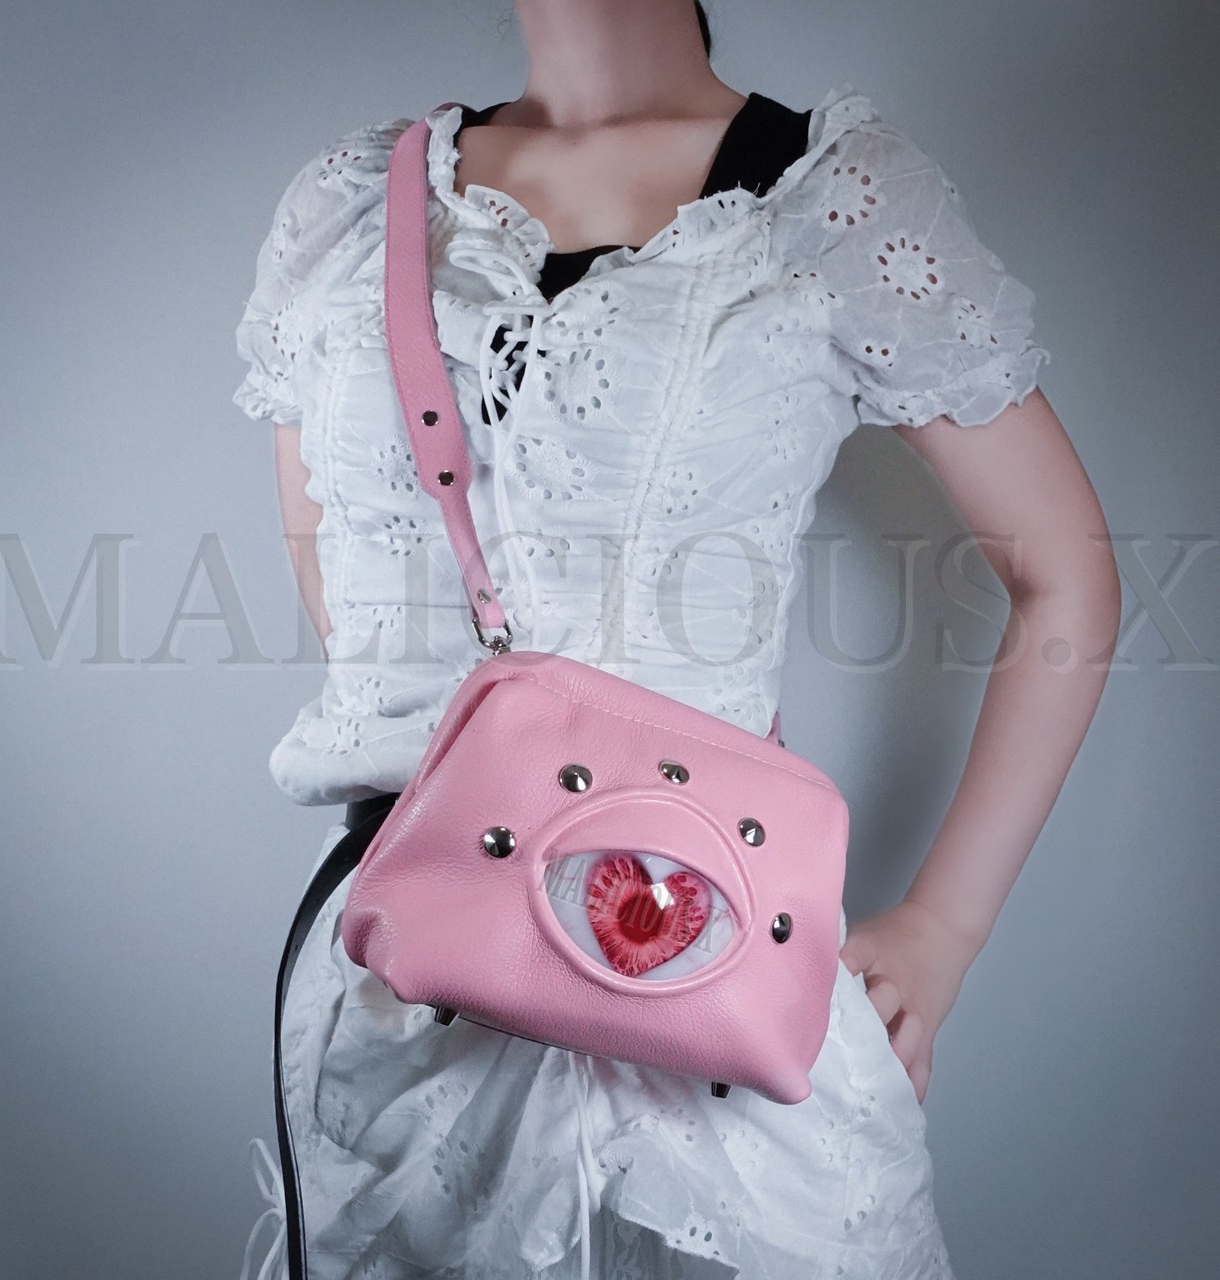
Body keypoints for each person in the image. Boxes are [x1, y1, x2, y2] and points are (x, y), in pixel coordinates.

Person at [231, 2, 1121, 1276]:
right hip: (402, 1009)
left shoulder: (834, 198)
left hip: (712, 974)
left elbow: (1065, 575)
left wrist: (944, 926)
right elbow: (346, 588)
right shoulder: (346, 208)